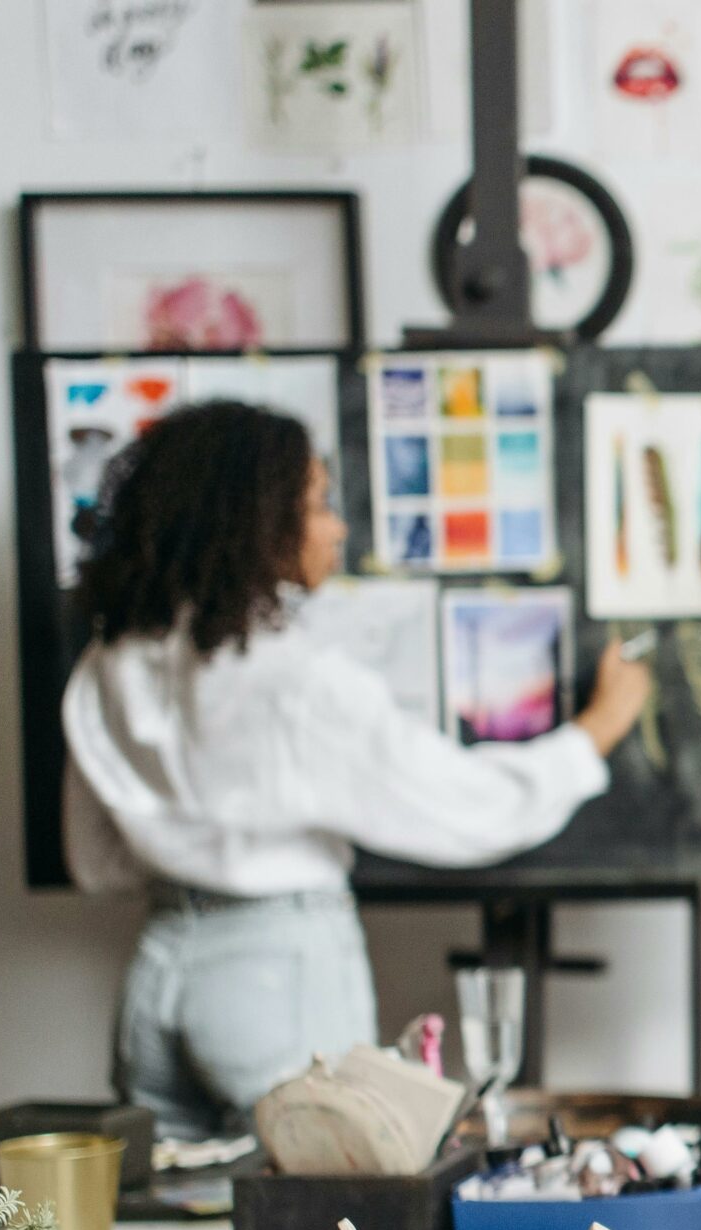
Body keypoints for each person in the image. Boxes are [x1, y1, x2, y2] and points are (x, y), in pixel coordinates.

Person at [63, 400, 651, 1138]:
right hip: (277, 973)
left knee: (163, 1212)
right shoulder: (295, 681)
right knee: (320, 1197)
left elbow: (95, 860)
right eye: (317, 504)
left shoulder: (108, 666)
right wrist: (596, 730)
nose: (336, 528)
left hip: (158, 969)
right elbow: (465, 808)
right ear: (257, 521)